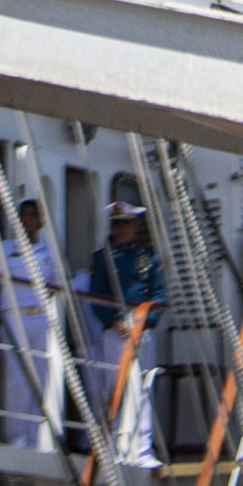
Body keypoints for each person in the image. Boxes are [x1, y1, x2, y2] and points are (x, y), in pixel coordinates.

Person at [82, 200, 167, 471]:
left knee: (142, 387)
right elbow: (97, 295)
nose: (121, 230)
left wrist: (145, 322)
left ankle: (142, 449)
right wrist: (115, 322)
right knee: (114, 386)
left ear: (136, 225)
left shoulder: (149, 257)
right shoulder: (103, 258)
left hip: (143, 328)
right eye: (116, 225)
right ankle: (116, 447)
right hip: (115, 329)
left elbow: (159, 295)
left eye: (126, 224)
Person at [0, 194, 69, 450]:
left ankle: (35, 439)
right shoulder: (5, 249)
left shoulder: (49, 252)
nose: (28, 220)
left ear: (42, 221)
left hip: (41, 318)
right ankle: (17, 438)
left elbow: (58, 285)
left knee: (39, 379)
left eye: (33, 215)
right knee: (17, 381)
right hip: (14, 316)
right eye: (23, 215)